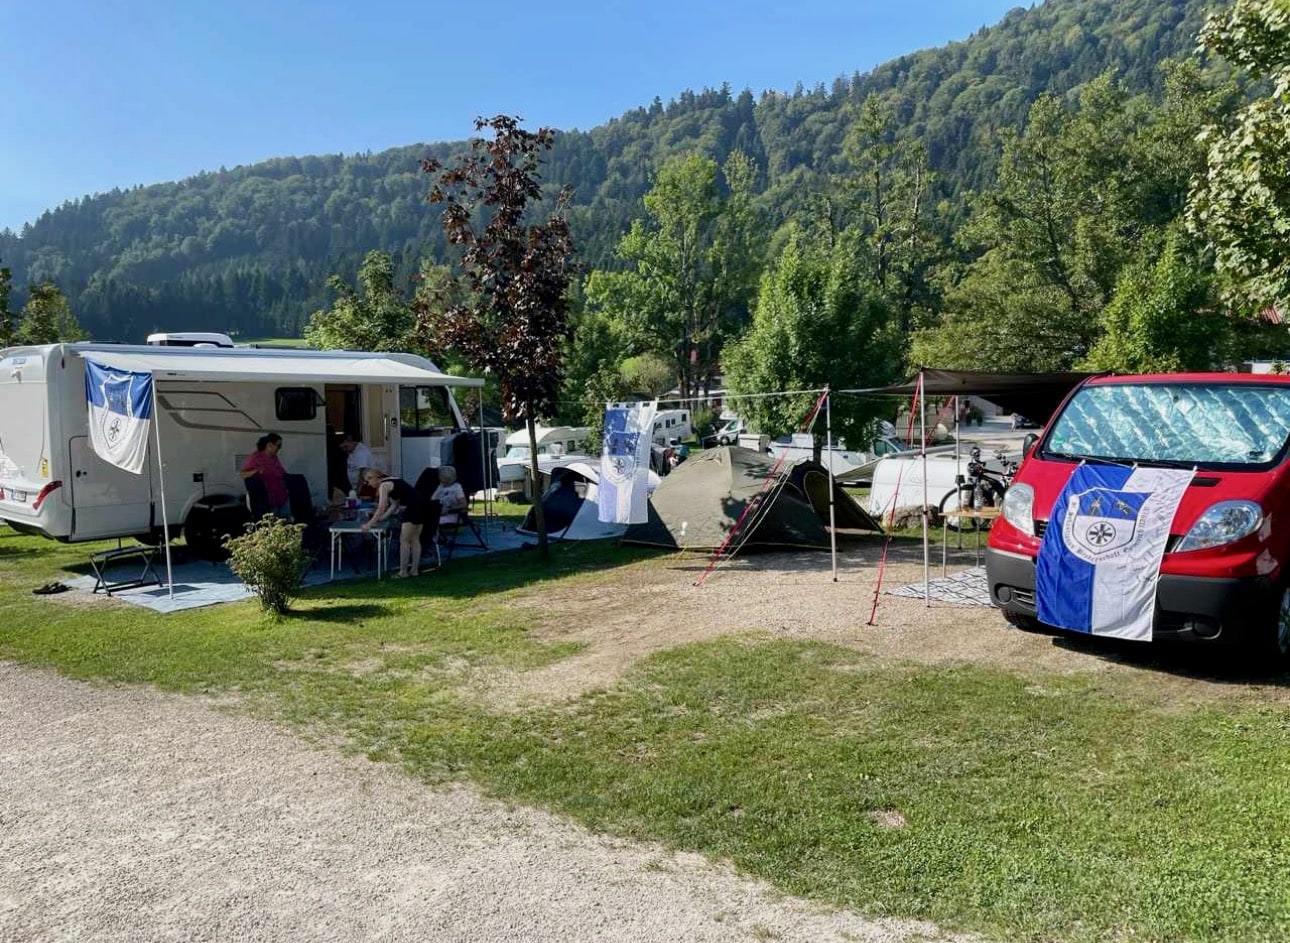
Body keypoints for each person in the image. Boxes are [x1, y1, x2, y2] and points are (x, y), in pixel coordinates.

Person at [360, 467, 426, 577]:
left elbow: (382, 507)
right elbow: (393, 506)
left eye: (367, 481)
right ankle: (414, 571)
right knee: (414, 539)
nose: (367, 484)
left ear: (374, 477)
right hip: (421, 505)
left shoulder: (383, 486)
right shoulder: (393, 480)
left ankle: (403, 572)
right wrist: (380, 519)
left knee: (404, 540)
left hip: (412, 508)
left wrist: (369, 524)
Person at [240, 433, 291, 518]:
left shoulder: (274, 457)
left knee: (286, 523)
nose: (279, 448)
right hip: (268, 501)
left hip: (281, 498)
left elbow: (281, 472)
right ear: (270, 445)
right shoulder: (256, 457)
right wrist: (256, 470)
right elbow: (243, 474)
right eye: (278, 445)